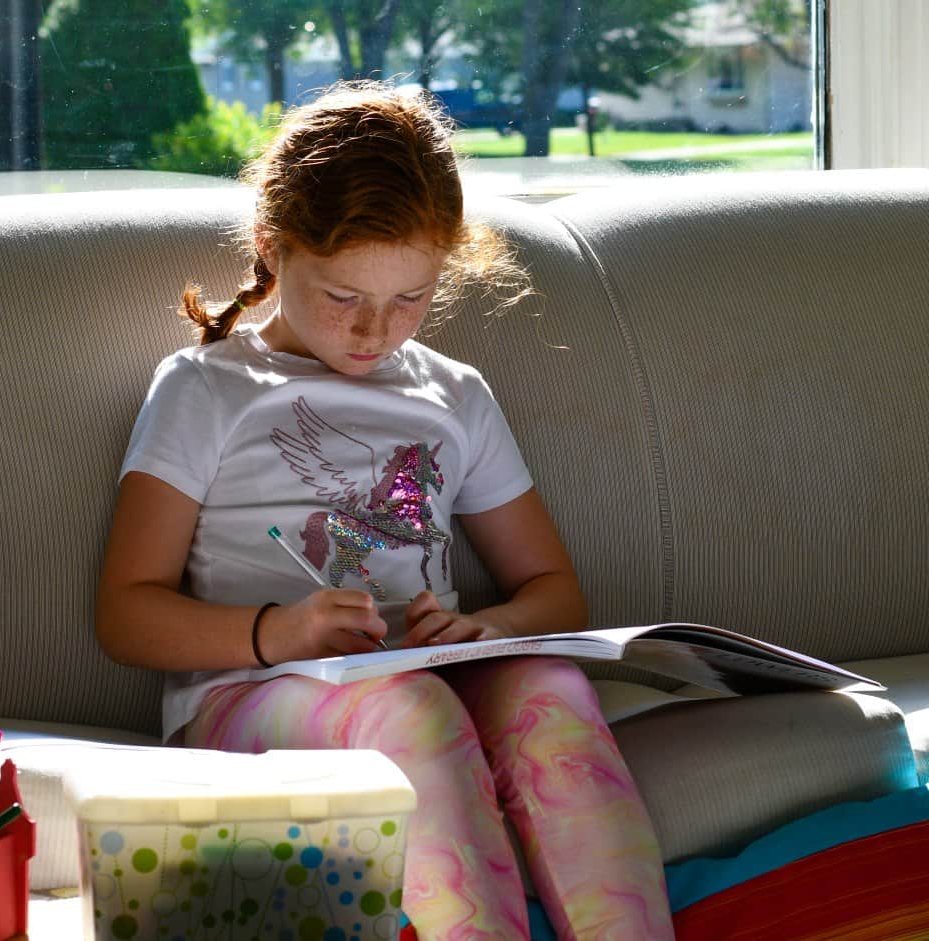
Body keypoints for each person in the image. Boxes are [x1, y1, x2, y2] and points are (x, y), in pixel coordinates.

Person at [96, 80, 674, 941]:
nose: (374, 332)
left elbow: (554, 589)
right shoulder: (206, 388)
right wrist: (278, 633)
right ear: (272, 245)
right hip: (250, 692)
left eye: (410, 299)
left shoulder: (454, 394)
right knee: (412, 711)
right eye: (343, 297)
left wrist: (492, 628)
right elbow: (125, 612)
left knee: (550, 688)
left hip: (419, 671)